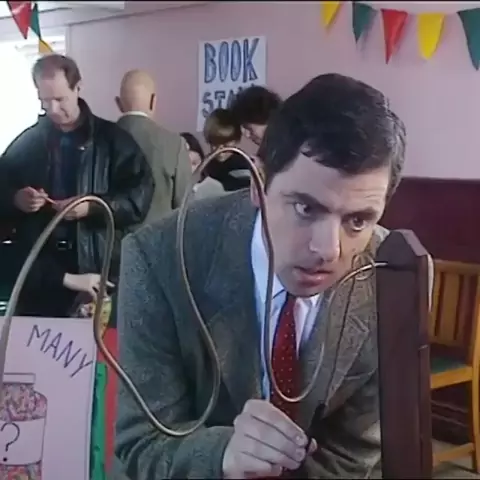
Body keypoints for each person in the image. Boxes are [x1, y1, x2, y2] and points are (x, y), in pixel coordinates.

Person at [115, 73, 414, 479]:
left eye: (358, 220)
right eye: (305, 208)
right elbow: (142, 445)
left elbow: (355, 453)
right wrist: (221, 455)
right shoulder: (158, 258)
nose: (329, 249)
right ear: (259, 184)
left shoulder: (393, 276)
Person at [0, 54, 154, 318]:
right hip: (40, 278)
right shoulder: (27, 143)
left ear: (78, 87)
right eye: (44, 101)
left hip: (97, 272)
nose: (52, 109)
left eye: (60, 99)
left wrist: (93, 206)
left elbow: (139, 198)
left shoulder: (114, 141)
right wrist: (16, 199)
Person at [116, 69, 191, 223]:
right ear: (153, 101)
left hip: (111, 237)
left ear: (118, 103)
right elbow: (185, 205)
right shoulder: (174, 144)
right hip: (159, 236)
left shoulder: (99, 140)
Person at [203, 108, 250, 191]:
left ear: (236, 141)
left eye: (226, 145)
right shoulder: (206, 164)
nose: (220, 151)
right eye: (215, 144)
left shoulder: (243, 165)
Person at [180, 132, 225, 201]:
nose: (190, 168)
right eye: (184, 163)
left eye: (194, 163)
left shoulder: (214, 187)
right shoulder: (170, 188)